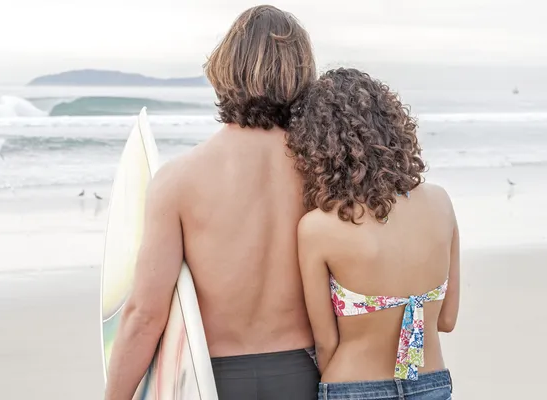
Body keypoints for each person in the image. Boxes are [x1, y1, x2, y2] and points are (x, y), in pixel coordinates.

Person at [104, 5, 320, 400]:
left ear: (224, 70)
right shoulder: (327, 174)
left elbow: (145, 315)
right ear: (301, 76)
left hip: (212, 379)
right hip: (306, 373)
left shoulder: (180, 179)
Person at [286, 68, 459, 400]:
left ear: (317, 146)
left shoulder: (318, 227)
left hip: (353, 386)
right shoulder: (440, 203)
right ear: (392, 127)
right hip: (431, 382)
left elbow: (326, 342)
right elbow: (447, 319)